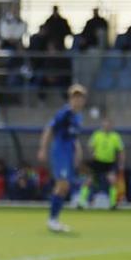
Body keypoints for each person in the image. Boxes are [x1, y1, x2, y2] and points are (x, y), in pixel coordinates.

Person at [37, 84, 87, 232]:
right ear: (70, 98)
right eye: (75, 97)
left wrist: (77, 151)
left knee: (64, 187)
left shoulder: (78, 116)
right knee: (62, 185)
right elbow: (49, 129)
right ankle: (52, 220)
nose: (77, 100)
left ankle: (55, 219)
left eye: (80, 98)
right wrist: (43, 149)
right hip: (60, 151)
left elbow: (74, 137)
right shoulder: (64, 113)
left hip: (69, 153)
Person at [86, 115, 124, 207]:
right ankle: (83, 201)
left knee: (112, 181)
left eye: (108, 124)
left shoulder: (115, 136)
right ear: (102, 125)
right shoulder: (97, 134)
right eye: (105, 124)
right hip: (97, 162)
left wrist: (121, 163)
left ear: (111, 126)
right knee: (89, 181)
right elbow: (90, 146)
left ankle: (113, 203)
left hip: (109, 163)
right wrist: (92, 153)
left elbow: (121, 150)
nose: (106, 126)